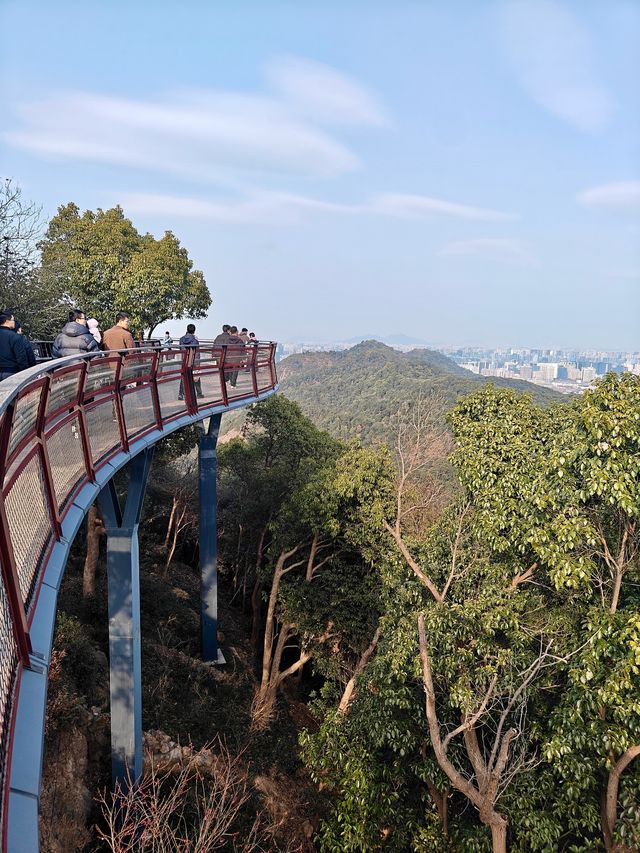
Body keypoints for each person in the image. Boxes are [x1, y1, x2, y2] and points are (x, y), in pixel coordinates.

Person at [0, 310, 31, 380]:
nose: (14, 322)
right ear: (7, 321)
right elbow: (21, 359)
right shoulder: (15, 337)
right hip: (11, 373)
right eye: (13, 320)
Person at [178, 323, 202, 400]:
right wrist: (198, 365)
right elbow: (197, 353)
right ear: (194, 331)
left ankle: (181, 394)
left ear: (187, 330)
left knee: (183, 377)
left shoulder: (181, 339)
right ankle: (199, 393)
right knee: (196, 377)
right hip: (192, 361)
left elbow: (181, 350)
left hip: (184, 361)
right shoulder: (195, 341)